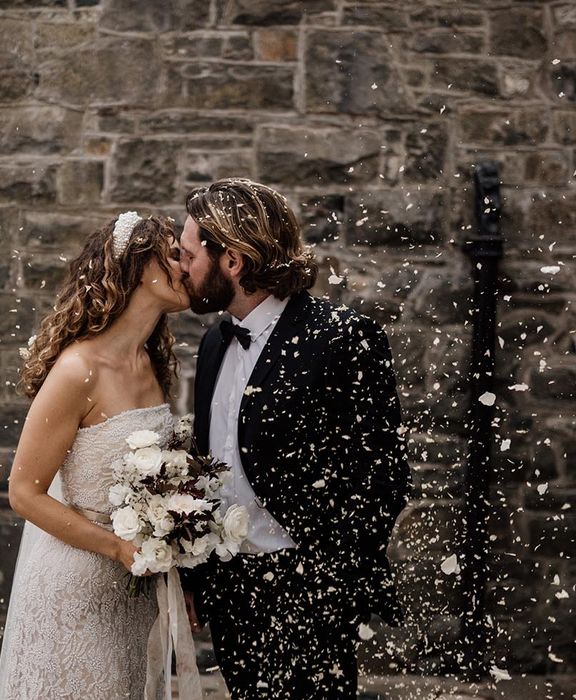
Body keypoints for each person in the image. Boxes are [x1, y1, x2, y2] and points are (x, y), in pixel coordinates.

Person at [178, 178, 412, 699]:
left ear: (233, 261)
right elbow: (210, 465)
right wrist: (197, 575)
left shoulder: (344, 337)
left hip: (309, 588)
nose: (181, 268)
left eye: (189, 254)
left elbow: (383, 475)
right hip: (231, 588)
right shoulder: (216, 342)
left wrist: (331, 584)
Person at [0, 212, 189, 699]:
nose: (188, 264)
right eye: (176, 253)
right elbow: (24, 493)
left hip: (131, 594)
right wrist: (117, 547)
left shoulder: (153, 364)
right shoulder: (78, 368)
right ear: (143, 267)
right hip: (75, 587)